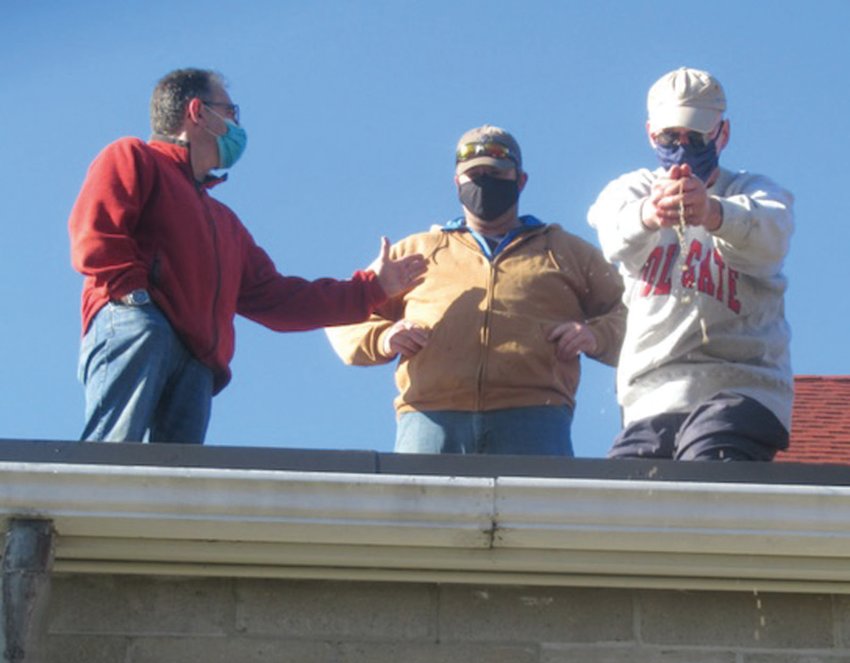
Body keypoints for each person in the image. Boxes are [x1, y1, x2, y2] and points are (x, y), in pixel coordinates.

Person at [69, 68, 426, 444]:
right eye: (231, 111)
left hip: (197, 363)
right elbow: (96, 235)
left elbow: (277, 297)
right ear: (198, 112)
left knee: (172, 488)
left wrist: (370, 290)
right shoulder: (133, 156)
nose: (237, 124)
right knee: (111, 455)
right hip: (138, 329)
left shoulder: (225, 223)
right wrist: (137, 303)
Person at [326, 125, 625, 456]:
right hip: (428, 418)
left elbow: (638, 309)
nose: (484, 181)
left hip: (536, 417)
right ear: (457, 182)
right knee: (421, 509)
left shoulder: (567, 251)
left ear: (520, 180)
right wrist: (383, 337)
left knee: (533, 509)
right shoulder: (417, 250)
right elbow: (344, 313)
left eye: (496, 173)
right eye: (474, 174)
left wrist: (597, 335)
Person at [587, 67, 793, 461]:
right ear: (651, 134)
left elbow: (772, 235)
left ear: (723, 134)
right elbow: (612, 231)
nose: (683, 146)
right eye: (670, 136)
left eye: (696, 135)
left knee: (710, 461)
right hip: (654, 395)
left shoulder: (753, 191)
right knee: (627, 491)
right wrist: (649, 213)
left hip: (744, 385)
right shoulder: (631, 190)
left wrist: (714, 213)